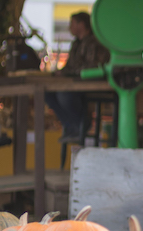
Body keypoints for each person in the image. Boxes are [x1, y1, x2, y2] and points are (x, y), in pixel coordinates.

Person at [45, 11, 110, 143]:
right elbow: (70, 66)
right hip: (75, 82)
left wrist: (69, 73)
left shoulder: (95, 42)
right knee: (48, 93)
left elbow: (93, 66)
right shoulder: (75, 44)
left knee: (65, 95)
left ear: (81, 24)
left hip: (92, 83)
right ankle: (73, 125)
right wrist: (61, 72)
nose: (69, 27)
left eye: (72, 24)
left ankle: (80, 124)